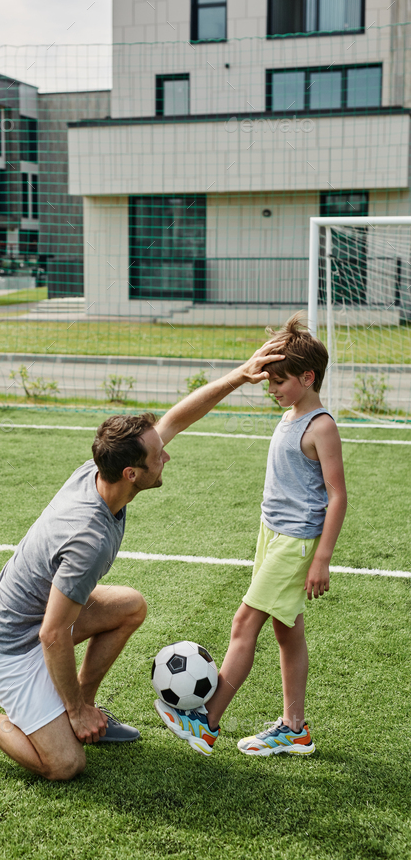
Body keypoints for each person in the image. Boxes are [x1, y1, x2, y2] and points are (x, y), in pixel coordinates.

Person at [0, 341, 284, 781]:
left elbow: (174, 420)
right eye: (158, 456)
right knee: (63, 765)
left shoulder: (104, 468)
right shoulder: (88, 537)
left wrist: (238, 375)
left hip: (36, 619)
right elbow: (53, 634)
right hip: (9, 645)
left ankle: (86, 708)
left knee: (130, 605)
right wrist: (71, 711)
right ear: (133, 474)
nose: (166, 455)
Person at [155, 314, 347, 757]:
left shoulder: (321, 426)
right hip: (272, 535)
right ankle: (294, 728)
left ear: (307, 376)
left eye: (279, 381)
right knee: (287, 630)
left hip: (296, 543)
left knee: (244, 622)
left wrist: (322, 558)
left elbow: (337, 496)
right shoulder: (290, 415)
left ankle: (206, 722)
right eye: (269, 382)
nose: (273, 389)